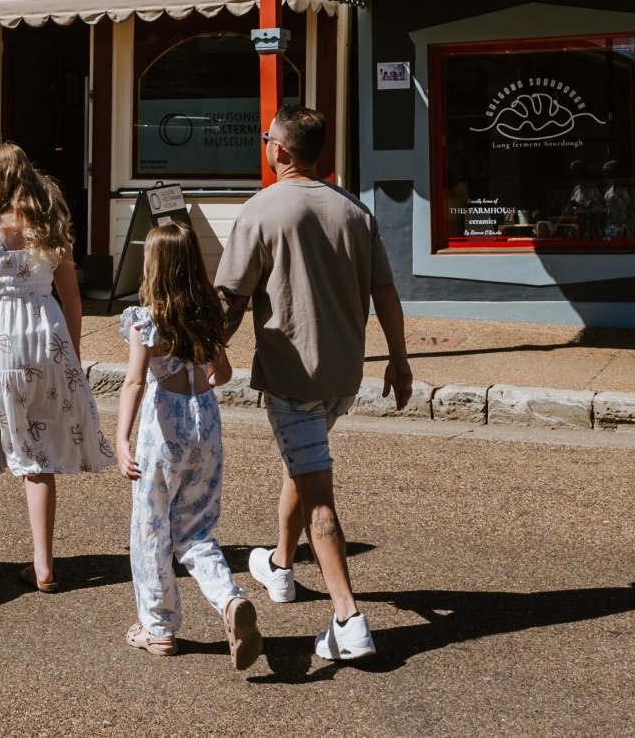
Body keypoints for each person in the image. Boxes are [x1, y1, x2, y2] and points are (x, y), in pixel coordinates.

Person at [214, 103, 412, 667]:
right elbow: (386, 292)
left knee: (318, 491)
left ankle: (349, 618)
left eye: (267, 140)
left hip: (292, 374)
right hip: (343, 373)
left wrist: (209, 349)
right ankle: (280, 568)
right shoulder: (354, 211)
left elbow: (228, 298)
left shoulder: (260, 212)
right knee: (303, 466)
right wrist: (398, 359)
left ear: (279, 149)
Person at [0, 143, 114, 592]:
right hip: (47, 340)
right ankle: (43, 564)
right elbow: (72, 297)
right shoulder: (51, 229)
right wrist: (69, 355)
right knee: (39, 449)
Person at [115, 222, 261, 666]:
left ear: (154, 267)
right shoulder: (207, 314)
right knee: (196, 528)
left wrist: (121, 438)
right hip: (206, 421)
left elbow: (134, 382)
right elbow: (226, 374)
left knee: (152, 526)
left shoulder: (148, 320)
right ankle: (229, 600)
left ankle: (158, 628)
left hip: (165, 426)